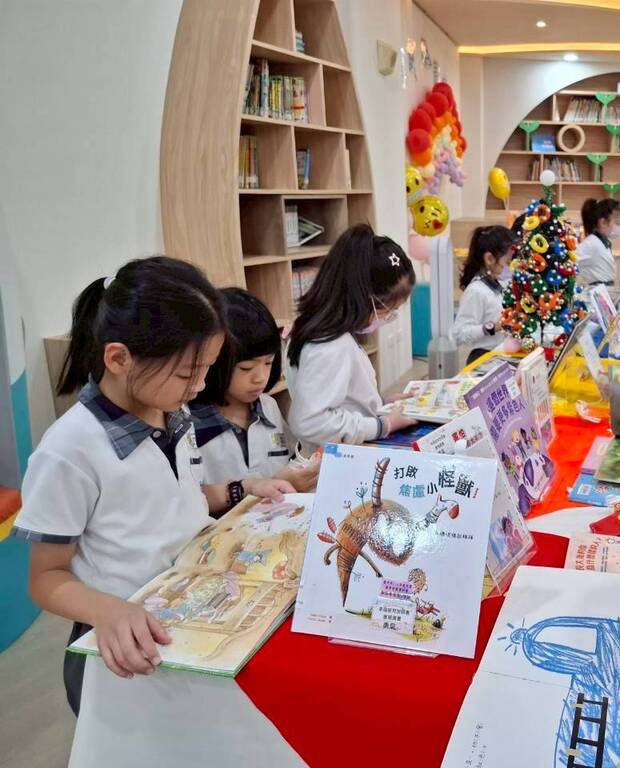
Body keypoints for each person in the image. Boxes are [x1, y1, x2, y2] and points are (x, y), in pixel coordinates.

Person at [13, 257, 293, 714]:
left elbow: (172, 499)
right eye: (187, 373)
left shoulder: (172, 412)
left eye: (207, 369)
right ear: (119, 359)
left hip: (190, 616)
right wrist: (107, 611)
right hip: (123, 644)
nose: (200, 386)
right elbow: (46, 579)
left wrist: (241, 489)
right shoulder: (69, 450)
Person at [286, 224, 418, 451]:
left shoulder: (321, 330)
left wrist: (380, 404)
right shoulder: (330, 345)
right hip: (339, 458)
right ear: (363, 297)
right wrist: (383, 425)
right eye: (388, 309)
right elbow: (309, 423)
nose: (390, 317)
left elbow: (339, 398)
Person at [190, 288, 320, 490]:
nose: (260, 378)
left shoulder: (268, 407)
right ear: (213, 363)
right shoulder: (191, 424)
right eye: (246, 368)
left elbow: (291, 460)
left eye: (268, 363)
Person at [452, 225, 515, 365]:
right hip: (484, 359)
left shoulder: (498, 285)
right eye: (507, 262)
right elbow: (459, 334)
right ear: (489, 259)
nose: (510, 268)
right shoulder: (476, 291)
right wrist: (494, 327)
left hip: (499, 356)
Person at [576, 197, 620, 291]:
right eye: (617, 223)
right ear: (603, 222)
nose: (619, 228)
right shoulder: (592, 243)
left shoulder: (601, 242)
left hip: (606, 289)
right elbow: (572, 260)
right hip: (598, 291)